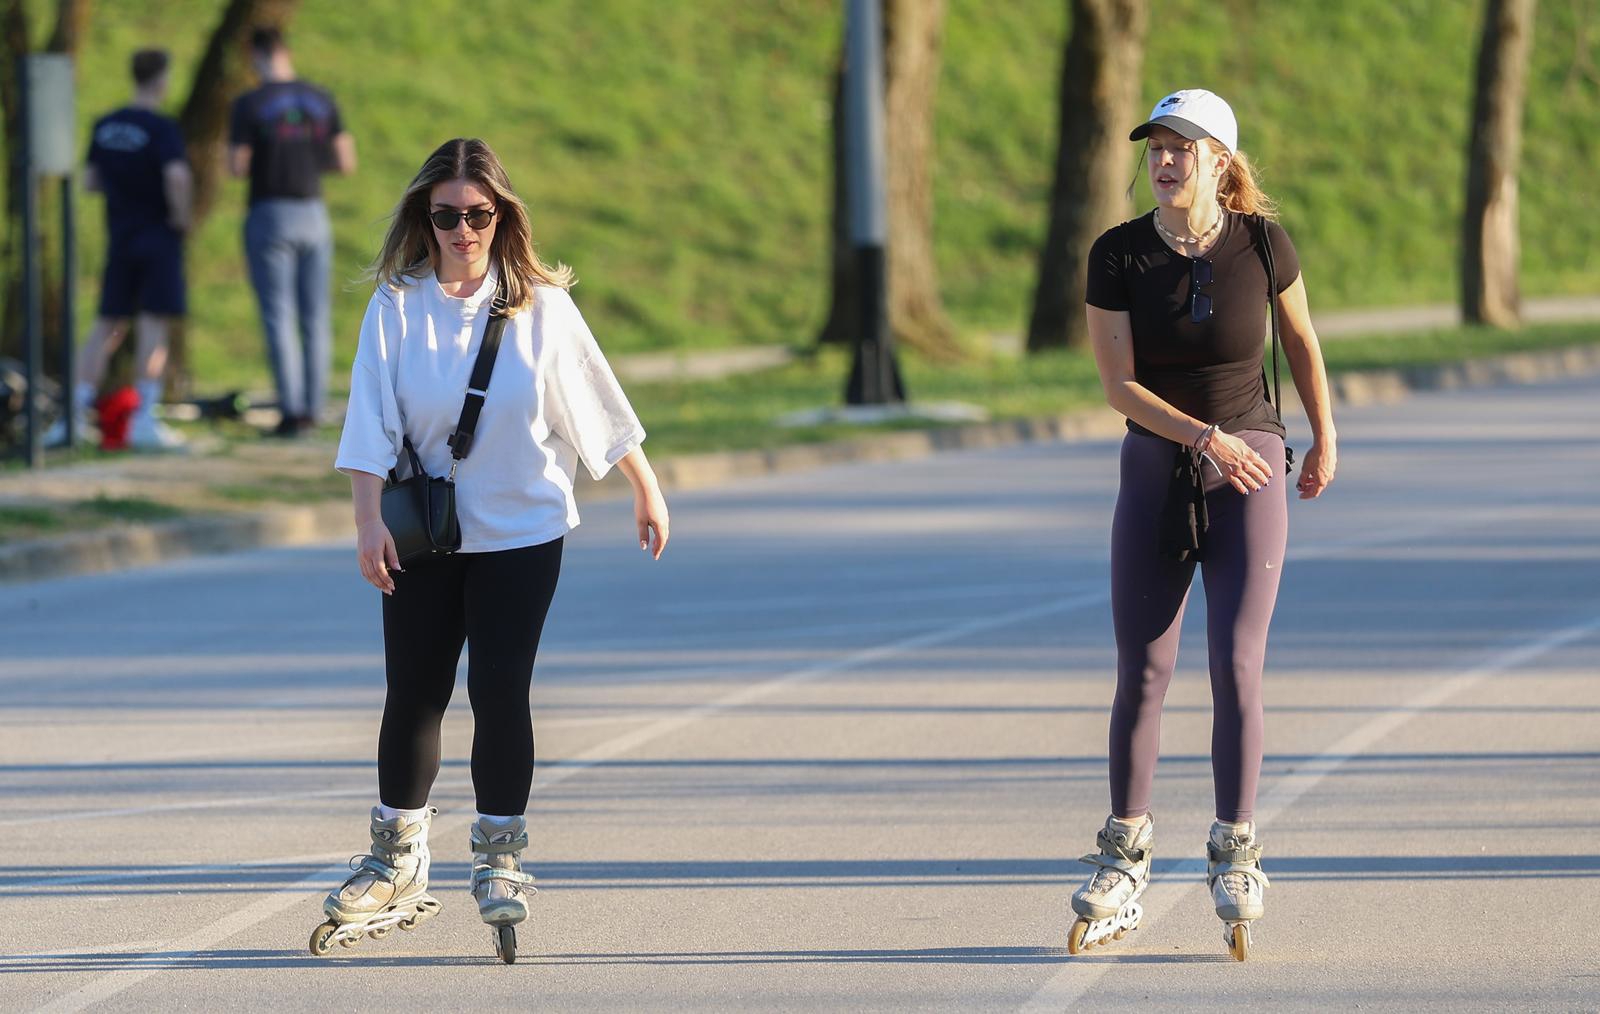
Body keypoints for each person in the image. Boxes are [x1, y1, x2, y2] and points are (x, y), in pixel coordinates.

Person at [319, 137, 670, 962]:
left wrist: (644, 486)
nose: (463, 230)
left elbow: (594, 401)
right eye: (447, 217)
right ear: (426, 219)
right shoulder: (397, 306)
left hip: (522, 530)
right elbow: (369, 421)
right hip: (424, 534)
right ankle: (397, 856)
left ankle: (501, 854)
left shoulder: (541, 307)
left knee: (501, 687)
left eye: (479, 215)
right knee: (414, 692)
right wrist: (367, 520)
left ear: (502, 217)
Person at [1067, 89, 1338, 960]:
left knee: (1237, 663)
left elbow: (1300, 345)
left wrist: (1324, 438)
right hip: (1159, 462)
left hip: (1250, 467)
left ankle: (1236, 848)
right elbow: (1117, 386)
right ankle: (1125, 856)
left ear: (1221, 160)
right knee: (1143, 668)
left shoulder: (1263, 244)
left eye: (1184, 147)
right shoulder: (1118, 255)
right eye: (1156, 146)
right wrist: (1201, 438)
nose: (1165, 159)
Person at [49, 48, 191, 451]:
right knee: (152, 325)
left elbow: (90, 180)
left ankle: (73, 415)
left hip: (121, 236)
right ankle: (145, 418)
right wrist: (180, 218)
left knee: (106, 326)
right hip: (157, 236)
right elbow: (177, 177)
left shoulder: (107, 124)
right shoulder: (161, 128)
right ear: (161, 79)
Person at [228, 26, 354, 437]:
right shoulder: (321, 98)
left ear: (256, 55)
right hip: (314, 212)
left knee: (279, 315)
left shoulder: (250, 103)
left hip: (270, 211)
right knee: (316, 316)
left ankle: (292, 411)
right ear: (286, 49)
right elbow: (345, 160)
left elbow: (237, 165)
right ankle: (315, 409)